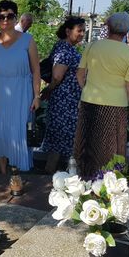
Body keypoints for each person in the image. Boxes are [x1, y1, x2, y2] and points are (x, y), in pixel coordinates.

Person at [74, 12, 129, 179]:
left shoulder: (93, 46)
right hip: (116, 106)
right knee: (112, 147)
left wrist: (86, 88)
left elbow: (80, 74)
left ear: (108, 27)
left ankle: (85, 179)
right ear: (126, 32)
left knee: (88, 144)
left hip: (90, 101)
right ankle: (111, 182)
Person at [0, 0, 41, 174]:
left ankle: (17, 173)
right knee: (0, 131)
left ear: (16, 17)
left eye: (9, 16)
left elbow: (36, 69)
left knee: (19, 130)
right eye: (1, 16)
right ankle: (3, 173)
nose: (5, 20)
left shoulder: (28, 41)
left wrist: (36, 95)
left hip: (22, 92)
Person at [39, 17, 86, 172]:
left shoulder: (64, 47)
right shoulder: (65, 50)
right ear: (68, 31)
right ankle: (57, 174)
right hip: (65, 102)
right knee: (64, 138)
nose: (82, 34)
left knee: (59, 142)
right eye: (79, 30)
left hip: (66, 100)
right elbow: (58, 75)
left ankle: (51, 172)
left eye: (83, 30)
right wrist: (48, 90)